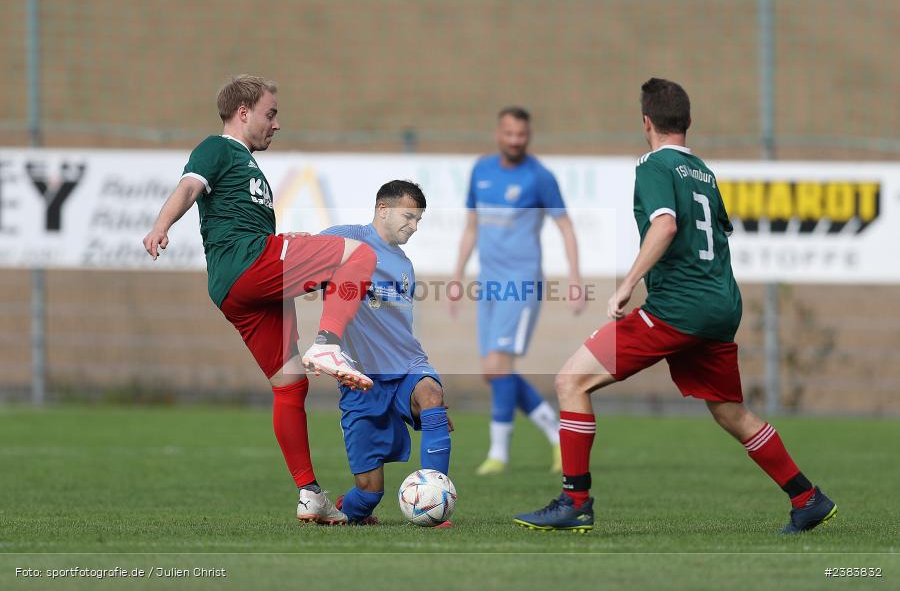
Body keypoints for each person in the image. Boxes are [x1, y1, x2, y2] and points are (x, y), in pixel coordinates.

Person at [514, 78, 837, 534]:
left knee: (571, 380)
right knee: (729, 410)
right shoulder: (702, 172)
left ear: (646, 122)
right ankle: (807, 497)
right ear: (688, 122)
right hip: (720, 304)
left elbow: (664, 226)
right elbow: (716, 237)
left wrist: (629, 283)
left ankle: (575, 501)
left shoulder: (653, 165)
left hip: (678, 309)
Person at [142, 75, 377, 525]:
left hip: (236, 287)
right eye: (271, 114)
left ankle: (309, 493)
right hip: (249, 262)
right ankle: (327, 344)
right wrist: (161, 225)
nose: (277, 123)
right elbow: (189, 187)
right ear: (243, 113)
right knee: (360, 254)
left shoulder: (247, 166)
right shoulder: (217, 148)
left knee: (290, 384)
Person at [451, 106, 584, 476]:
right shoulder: (481, 170)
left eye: (521, 135)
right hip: (489, 283)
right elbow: (471, 228)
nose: (515, 140)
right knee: (493, 371)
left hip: (522, 283)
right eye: (509, 134)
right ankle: (557, 433)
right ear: (498, 134)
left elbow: (566, 227)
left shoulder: (539, 177)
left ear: (529, 136)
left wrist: (575, 279)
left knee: (498, 365)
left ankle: (499, 454)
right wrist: (457, 276)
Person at [319, 180, 453, 526]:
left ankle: (435, 508)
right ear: (383, 209)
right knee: (367, 495)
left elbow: (398, 331)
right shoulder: (346, 237)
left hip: (407, 365)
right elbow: (302, 259)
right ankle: (341, 507)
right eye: (409, 216)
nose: (414, 225)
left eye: (419, 220)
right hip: (360, 380)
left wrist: (433, 409)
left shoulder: (405, 266)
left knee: (431, 393)